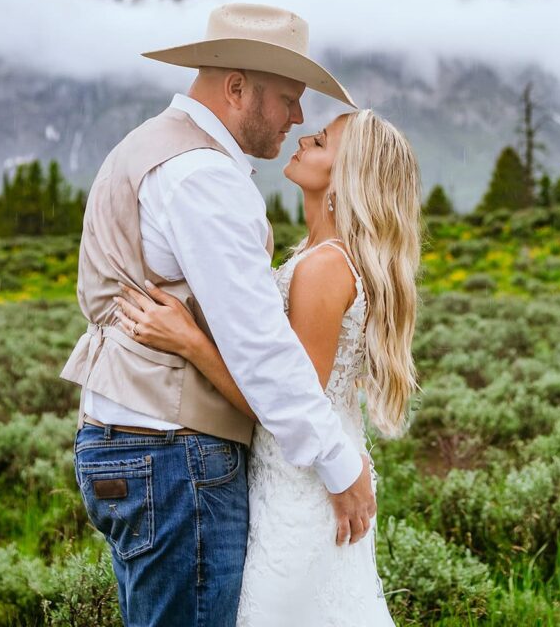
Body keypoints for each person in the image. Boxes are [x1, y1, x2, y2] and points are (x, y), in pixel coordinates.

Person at [60, 3, 376, 627]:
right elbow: (261, 348)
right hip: (175, 456)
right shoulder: (202, 175)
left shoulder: (155, 148)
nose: (298, 116)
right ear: (237, 87)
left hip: (137, 444)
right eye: (288, 98)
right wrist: (340, 467)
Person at [115, 106, 421, 626]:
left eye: (321, 142)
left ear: (345, 178)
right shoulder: (319, 255)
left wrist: (189, 341)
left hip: (295, 485)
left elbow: (282, 405)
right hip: (304, 474)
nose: (303, 139)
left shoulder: (323, 267)